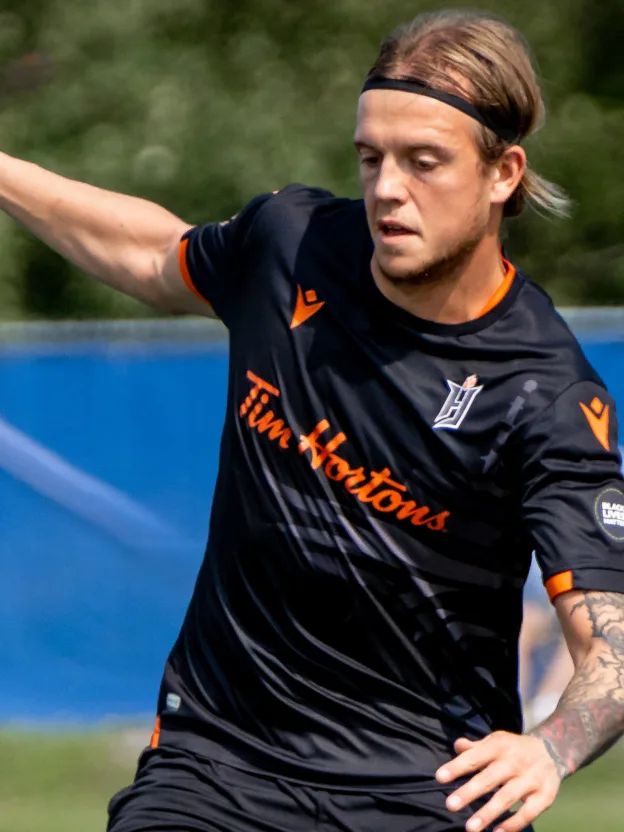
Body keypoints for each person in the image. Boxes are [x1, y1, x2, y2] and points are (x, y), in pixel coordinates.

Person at [2, 9, 624, 832]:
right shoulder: (291, 245)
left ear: (503, 173)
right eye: (371, 158)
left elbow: (612, 644)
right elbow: (153, 254)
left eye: (424, 161)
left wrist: (550, 747)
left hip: (427, 786)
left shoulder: (546, 392)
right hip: (219, 762)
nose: (388, 188)